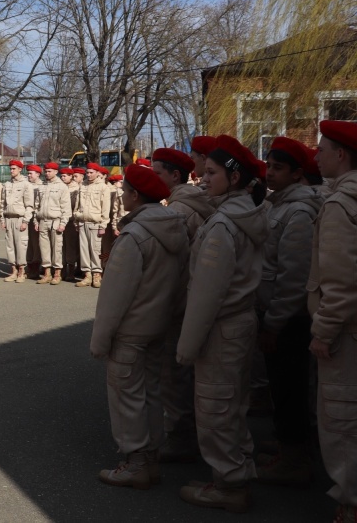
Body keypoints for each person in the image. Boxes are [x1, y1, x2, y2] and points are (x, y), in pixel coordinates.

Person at [177, 135, 268, 513]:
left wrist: (186, 346)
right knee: (233, 404)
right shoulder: (246, 212)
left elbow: (206, 294)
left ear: (234, 178)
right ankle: (237, 470)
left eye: (212, 172)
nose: (203, 177)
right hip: (239, 322)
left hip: (222, 326)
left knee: (215, 407)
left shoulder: (223, 225)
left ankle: (229, 484)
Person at [92, 164, 189, 490]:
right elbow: (182, 282)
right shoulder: (174, 227)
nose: (121, 196)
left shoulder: (134, 236)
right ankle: (150, 459)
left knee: (127, 397)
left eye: (124, 191)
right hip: (158, 326)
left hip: (131, 330)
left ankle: (135, 463)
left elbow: (115, 296)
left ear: (135, 195)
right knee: (151, 393)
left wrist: (100, 339)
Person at [251, 137, 323, 487]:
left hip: (289, 321)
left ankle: (294, 459)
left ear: (297, 173)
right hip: (275, 314)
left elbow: (293, 277)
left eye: (278, 168)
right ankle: (287, 445)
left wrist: (274, 323)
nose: (269, 173)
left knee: (290, 388)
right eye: (268, 166)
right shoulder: (277, 204)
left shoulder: (299, 212)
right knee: (281, 387)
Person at [150, 147, 214, 464]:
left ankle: (180, 435)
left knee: (173, 372)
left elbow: (173, 265)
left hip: (179, 302)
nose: (152, 179)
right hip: (191, 299)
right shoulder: (191, 202)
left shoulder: (179, 210)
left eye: (157, 173)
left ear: (175, 176)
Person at [309, 120, 357, 523]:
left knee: (342, 421)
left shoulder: (341, 204)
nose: (316, 157)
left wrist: (323, 331)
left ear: (341, 155)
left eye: (322, 150)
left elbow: (340, 282)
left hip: (345, 333)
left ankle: (350, 503)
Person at [74, 162, 111, 288]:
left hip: (95, 223)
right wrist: (76, 220)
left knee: (96, 250)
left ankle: (97, 274)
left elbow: (105, 208)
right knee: (84, 250)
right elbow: (77, 204)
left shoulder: (103, 187)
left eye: (91, 173)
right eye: (87, 173)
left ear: (97, 173)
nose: (88, 175)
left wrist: (103, 225)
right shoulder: (83, 185)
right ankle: (87, 275)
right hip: (82, 222)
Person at [35, 162, 71, 285]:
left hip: (56, 221)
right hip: (43, 221)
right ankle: (47, 273)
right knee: (44, 248)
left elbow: (66, 207)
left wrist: (63, 223)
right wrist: (36, 220)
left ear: (56, 172)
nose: (47, 173)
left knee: (57, 249)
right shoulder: (42, 186)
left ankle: (57, 274)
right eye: (46, 171)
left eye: (49, 171)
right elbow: (37, 205)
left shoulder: (62, 187)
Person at [2, 160, 34, 282]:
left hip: (20, 219)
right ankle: (13, 271)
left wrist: (25, 221)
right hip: (8, 218)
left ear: (20, 169)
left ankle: (21, 271)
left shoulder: (26, 185)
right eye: (10, 169)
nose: (11, 171)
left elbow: (29, 205)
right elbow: (2, 203)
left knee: (21, 246)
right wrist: (2, 219)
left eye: (14, 169)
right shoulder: (7, 184)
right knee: (10, 246)